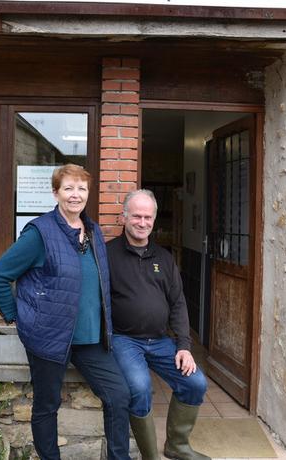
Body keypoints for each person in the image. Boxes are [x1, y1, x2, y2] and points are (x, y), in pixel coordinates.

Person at [0, 164, 131, 460]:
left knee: (118, 395)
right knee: (46, 405)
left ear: (88, 194)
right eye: (68, 188)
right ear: (56, 193)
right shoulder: (40, 233)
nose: (75, 195)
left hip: (90, 338)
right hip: (49, 337)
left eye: (81, 188)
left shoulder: (94, 232)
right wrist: (15, 315)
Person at [107, 189, 210, 460]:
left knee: (195, 383)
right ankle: (150, 455)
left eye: (148, 217)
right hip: (124, 340)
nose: (142, 222)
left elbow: (177, 303)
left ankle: (177, 446)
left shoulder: (163, 258)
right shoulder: (107, 255)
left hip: (161, 341)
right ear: (124, 217)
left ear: (154, 219)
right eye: (137, 216)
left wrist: (184, 346)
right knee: (140, 388)